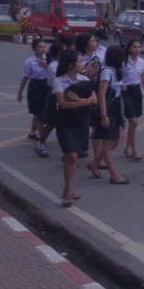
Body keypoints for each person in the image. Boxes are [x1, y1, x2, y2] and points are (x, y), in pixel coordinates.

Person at [53, 50, 97, 207]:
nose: (82, 64)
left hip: (81, 121)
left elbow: (94, 99)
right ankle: (68, 192)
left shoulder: (84, 79)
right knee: (71, 156)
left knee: (74, 156)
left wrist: (78, 101)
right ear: (70, 65)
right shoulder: (59, 81)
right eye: (79, 62)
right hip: (65, 121)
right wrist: (84, 102)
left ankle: (68, 189)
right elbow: (63, 104)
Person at [88, 45, 129, 185]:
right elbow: (101, 94)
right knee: (108, 142)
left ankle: (94, 163)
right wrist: (104, 115)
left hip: (117, 107)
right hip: (108, 108)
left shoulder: (117, 71)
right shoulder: (106, 72)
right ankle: (114, 175)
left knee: (116, 140)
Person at [122, 39, 144, 161]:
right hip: (125, 92)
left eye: (139, 47)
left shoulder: (141, 62)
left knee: (133, 123)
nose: (137, 49)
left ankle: (128, 147)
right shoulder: (123, 62)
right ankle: (134, 150)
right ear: (129, 49)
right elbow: (117, 76)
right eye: (134, 47)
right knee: (133, 122)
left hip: (136, 92)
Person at [17, 38, 48, 141]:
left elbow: (55, 70)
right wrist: (20, 92)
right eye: (40, 47)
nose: (43, 49)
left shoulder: (48, 59)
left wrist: (46, 65)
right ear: (34, 49)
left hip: (47, 86)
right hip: (36, 87)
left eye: (44, 46)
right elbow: (25, 77)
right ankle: (41, 136)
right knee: (38, 112)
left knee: (41, 112)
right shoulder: (29, 62)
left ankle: (33, 132)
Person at [34, 41, 61, 158]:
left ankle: (68, 151)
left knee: (61, 124)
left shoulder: (59, 64)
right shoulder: (54, 67)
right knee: (51, 123)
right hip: (55, 95)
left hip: (59, 94)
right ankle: (40, 144)